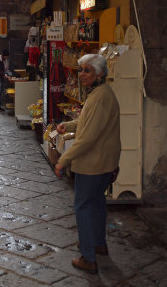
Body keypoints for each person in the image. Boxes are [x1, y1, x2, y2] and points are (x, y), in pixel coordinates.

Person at [54, 54, 121, 274]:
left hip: (93, 164)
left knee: (83, 207)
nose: (82, 74)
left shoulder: (99, 97)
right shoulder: (100, 94)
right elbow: (87, 123)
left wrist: (63, 159)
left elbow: (88, 137)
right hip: (104, 162)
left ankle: (88, 257)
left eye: (88, 70)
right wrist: (69, 125)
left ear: (100, 74)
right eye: (81, 70)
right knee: (97, 203)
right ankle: (98, 244)